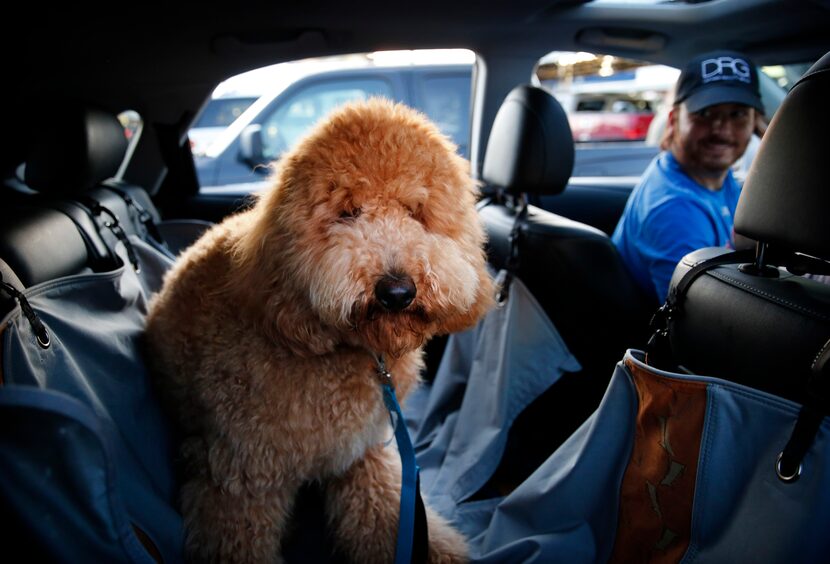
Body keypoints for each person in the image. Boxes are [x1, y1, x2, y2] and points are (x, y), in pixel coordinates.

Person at [612, 50, 765, 303]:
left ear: (753, 122)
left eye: (737, 114)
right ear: (674, 120)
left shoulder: (716, 178)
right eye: (705, 113)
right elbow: (697, 325)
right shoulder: (674, 208)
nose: (722, 130)